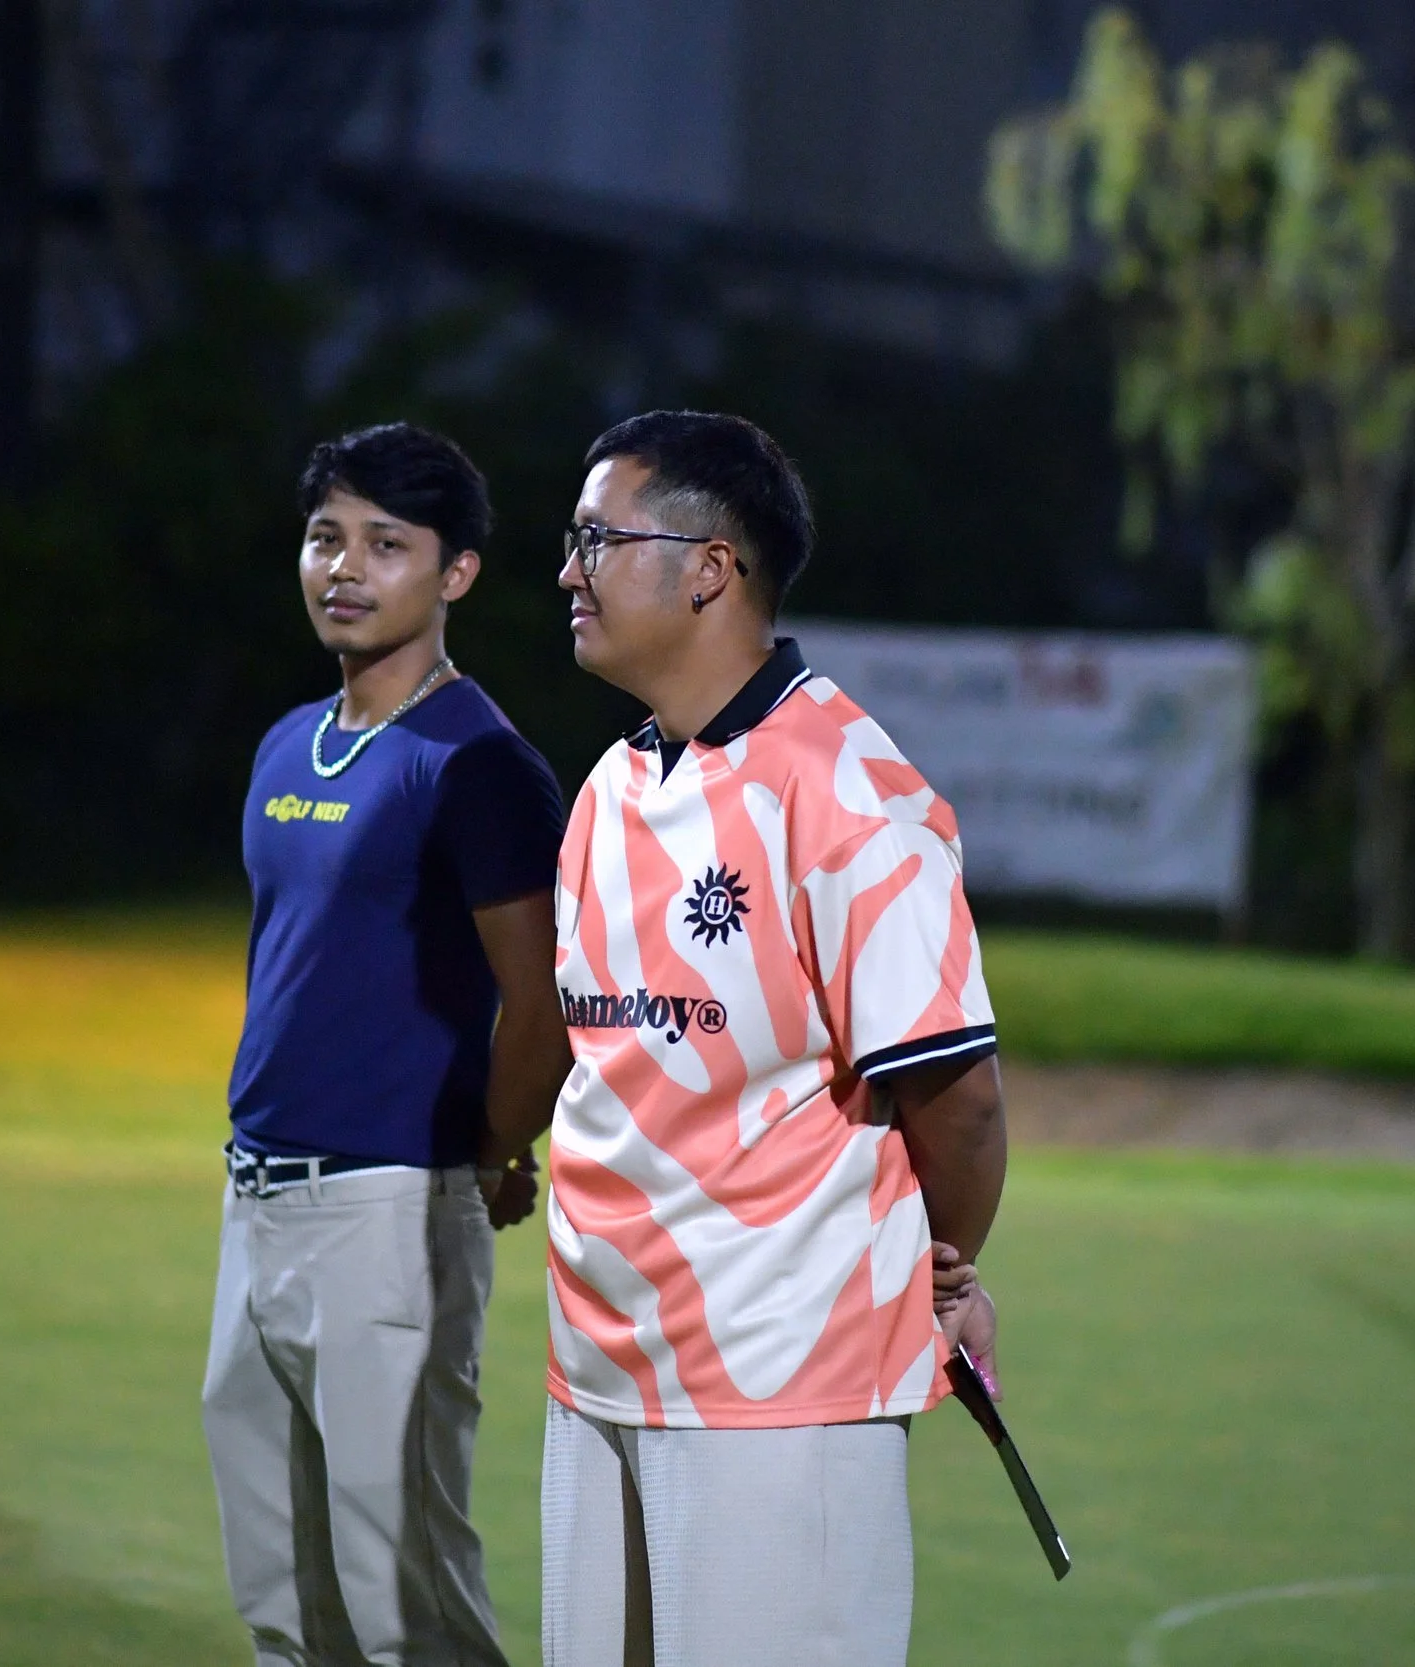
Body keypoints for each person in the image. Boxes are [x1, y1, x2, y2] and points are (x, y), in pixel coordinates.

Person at [541, 410, 1007, 1667]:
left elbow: (957, 1101)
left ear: (707, 567)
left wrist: (944, 1272)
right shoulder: (606, 792)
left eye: (598, 537)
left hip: (780, 1389)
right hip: (596, 1372)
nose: (568, 569)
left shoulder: (848, 790)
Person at [202, 422, 570, 1667]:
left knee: (401, 1590)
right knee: (282, 1589)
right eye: (325, 537)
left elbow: (544, 1006)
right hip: (256, 1199)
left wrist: (486, 1148)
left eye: (386, 544)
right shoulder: (282, 744)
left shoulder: (478, 764)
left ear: (456, 572)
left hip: (390, 1212)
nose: (343, 567)